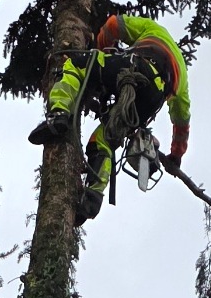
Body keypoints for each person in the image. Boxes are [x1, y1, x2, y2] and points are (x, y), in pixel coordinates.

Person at [29, 13, 190, 221]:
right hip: (152, 99)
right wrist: (176, 155)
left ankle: (58, 114)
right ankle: (93, 196)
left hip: (134, 68)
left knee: (76, 64)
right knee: (104, 140)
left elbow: (114, 25)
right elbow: (182, 120)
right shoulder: (182, 75)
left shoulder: (154, 30)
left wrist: (101, 50)